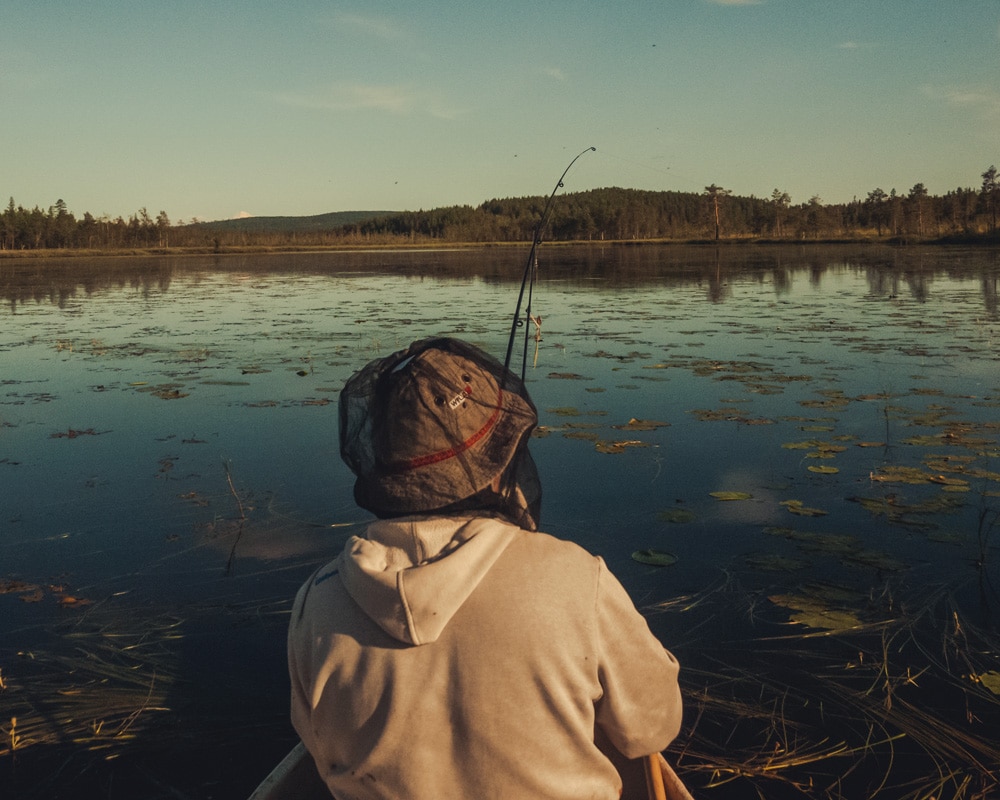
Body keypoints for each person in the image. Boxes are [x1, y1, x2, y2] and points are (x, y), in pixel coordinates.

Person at [288, 337, 682, 800]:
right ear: (498, 465)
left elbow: (318, 747)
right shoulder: (577, 577)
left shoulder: (317, 599)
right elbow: (652, 729)